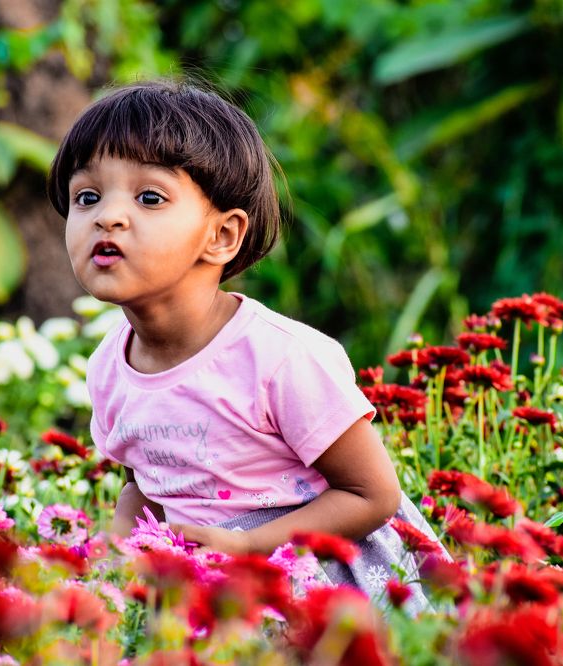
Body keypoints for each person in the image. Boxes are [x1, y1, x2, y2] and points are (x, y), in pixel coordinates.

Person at [47, 80, 445, 609]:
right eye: (87, 196)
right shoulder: (109, 367)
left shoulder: (279, 358)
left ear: (223, 237)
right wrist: (119, 568)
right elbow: (147, 487)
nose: (108, 216)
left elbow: (372, 496)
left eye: (149, 197)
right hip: (209, 586)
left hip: (317, 583)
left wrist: (248, 545)